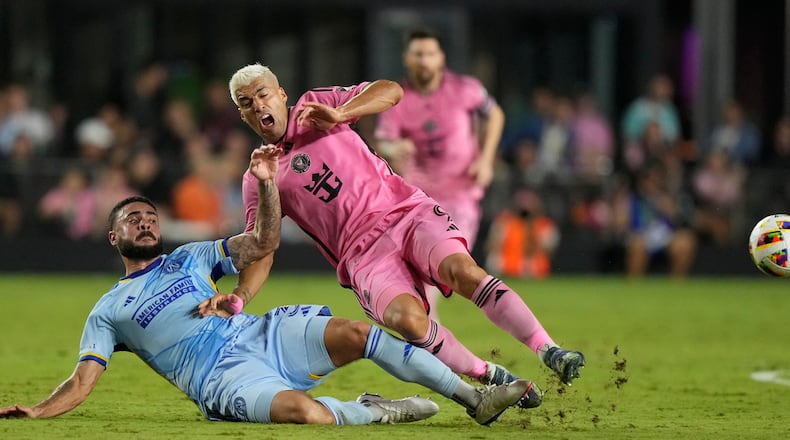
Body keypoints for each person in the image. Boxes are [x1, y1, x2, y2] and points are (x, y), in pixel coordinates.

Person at [0, 147, 531, 426]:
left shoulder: (190, 257)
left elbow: (262, 240)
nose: (144, 223)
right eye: (132, 219)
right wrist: (38, 410)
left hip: (257, 334)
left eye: (150, 216)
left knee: (355, 332)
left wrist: (269, 185)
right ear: (113, 235)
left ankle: (474, 397)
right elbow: (83, 379)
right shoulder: (109, 310)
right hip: (220, 377)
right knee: (306, 416)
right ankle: (374, 409)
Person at [219, 63, 585, 408]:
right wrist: (240, 296)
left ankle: (548, 349)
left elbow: (391, 91)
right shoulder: (258, 176)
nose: (259, 106)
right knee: (408, 322)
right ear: (242, 115)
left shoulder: (319, 105)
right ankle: (488, 374)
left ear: (282, 94)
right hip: (362, 256)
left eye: (263, 94)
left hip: (407, 213)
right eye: (247, 103)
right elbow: (262, 246)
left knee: (463, 272)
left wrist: (342, 113)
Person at [373, 29, 505, 323]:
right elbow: (383, 140)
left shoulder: (465, 89)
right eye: (418, 54)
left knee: (441, 262)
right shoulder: (398, 99)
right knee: (425, 268)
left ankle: (429, 334)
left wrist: (485, 160)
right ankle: (429, 335)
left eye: (430, 54)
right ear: (407, 58)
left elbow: (495, 115)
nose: (424, 61)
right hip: (419, 196)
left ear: (441, 58)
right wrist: (396, 147)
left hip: (461, 193)